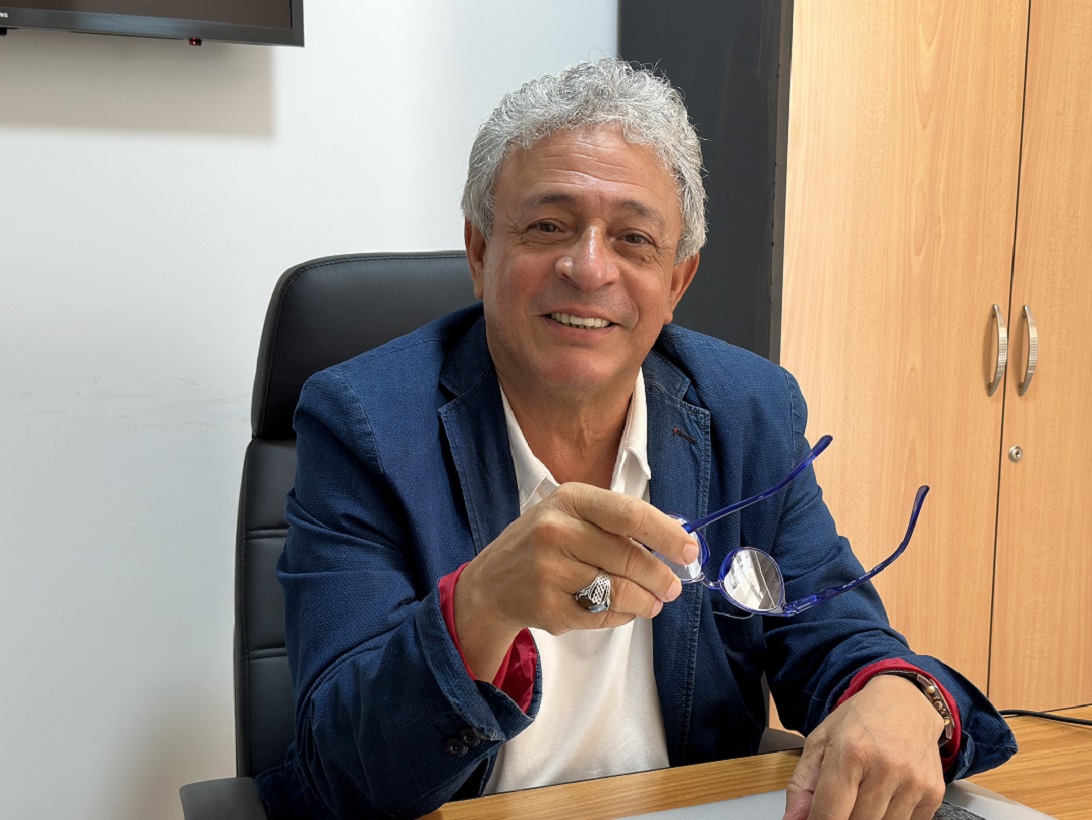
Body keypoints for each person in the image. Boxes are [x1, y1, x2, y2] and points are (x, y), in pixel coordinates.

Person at [254, 59, 1016, 820]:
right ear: (480, 252)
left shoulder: (748, 410)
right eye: (548, 226)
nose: (589, 268)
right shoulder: (366, 422)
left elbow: (834, 635)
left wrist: (902, 696)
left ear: (677, 281)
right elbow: (340, 772)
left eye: (634, 239)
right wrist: (480, 608)